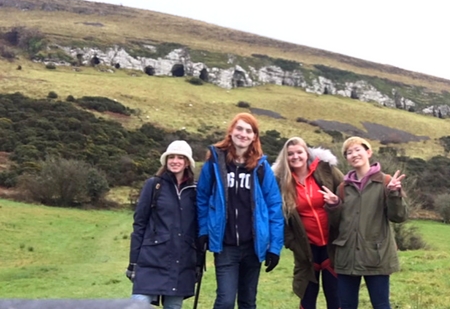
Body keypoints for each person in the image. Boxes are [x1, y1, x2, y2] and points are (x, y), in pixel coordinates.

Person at [197, 112, 284, 309]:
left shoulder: (261, 167)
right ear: (231, 131)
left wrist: (275, 247)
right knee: (225, 301)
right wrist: (203, 231)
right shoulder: (215, 162)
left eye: (248, 130)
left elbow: (274, 208)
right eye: (239, 129)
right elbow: (202, 197)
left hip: (253, 246)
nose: (243, 134)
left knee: (247, 301)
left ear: (254, 137)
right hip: (225, 245)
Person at [322, 136, 408, 309]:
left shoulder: (386, 182)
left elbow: (398, 217)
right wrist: (334, 205)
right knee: (346, 305)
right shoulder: (342, 187)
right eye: (348, 152)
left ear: (368, 152)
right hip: (347, 257)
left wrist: (394, 194)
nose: (354, 155)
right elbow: (338, 224)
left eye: (357, 150)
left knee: (381, 305)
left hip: (375, 256)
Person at [126, 140, 203, 309]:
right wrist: (133, 262)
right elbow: (139, 224)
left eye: (180, 157)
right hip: (151, 260)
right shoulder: (154, 185)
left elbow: (198, 229)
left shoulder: (195, 190)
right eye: (171, 157)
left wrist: (198, 263)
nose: (175, 161)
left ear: (187, 162)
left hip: (181, 263)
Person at [272, 137, 344, 309]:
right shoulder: (281, 182)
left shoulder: (326, 171)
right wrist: (292, 243)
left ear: (307, 153)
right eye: (290, 154)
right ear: (285, 157)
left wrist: (336, 203)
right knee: (307, 299)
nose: (295, 157)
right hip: (305, 249)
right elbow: (278, 216)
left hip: (332, 246)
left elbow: (347, 192)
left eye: (299, 152)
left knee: (336, 298)